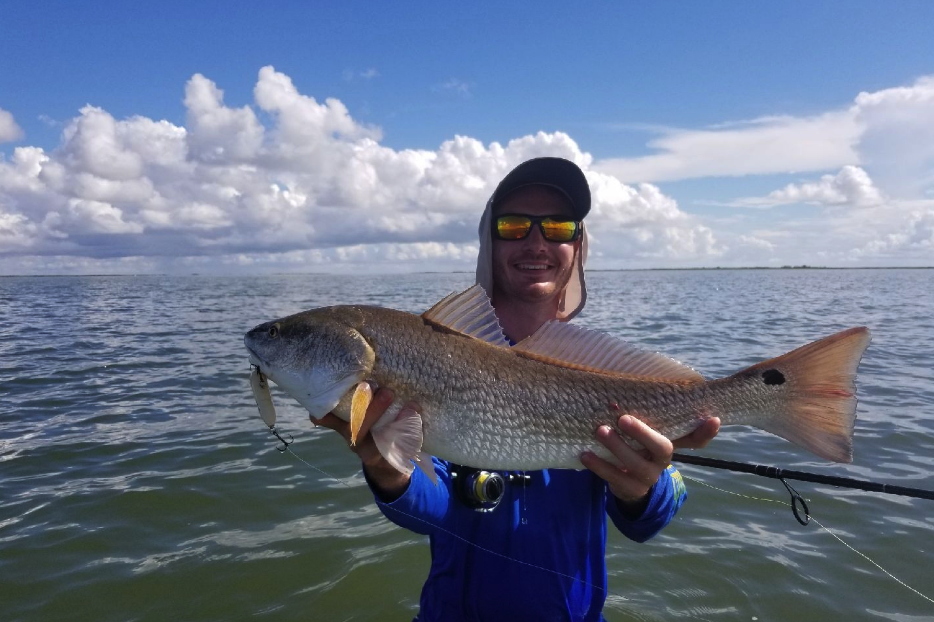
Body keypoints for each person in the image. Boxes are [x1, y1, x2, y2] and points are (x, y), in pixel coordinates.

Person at [312, 157, 720, 621]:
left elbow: (649, 522)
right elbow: (430, 511)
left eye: (559, 226)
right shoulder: (435, 357)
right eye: (514, 224)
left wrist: (644, 489)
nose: (536, 241)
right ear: (490, 238)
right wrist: (389, 471)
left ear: (578, 245)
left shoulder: (607, 377)